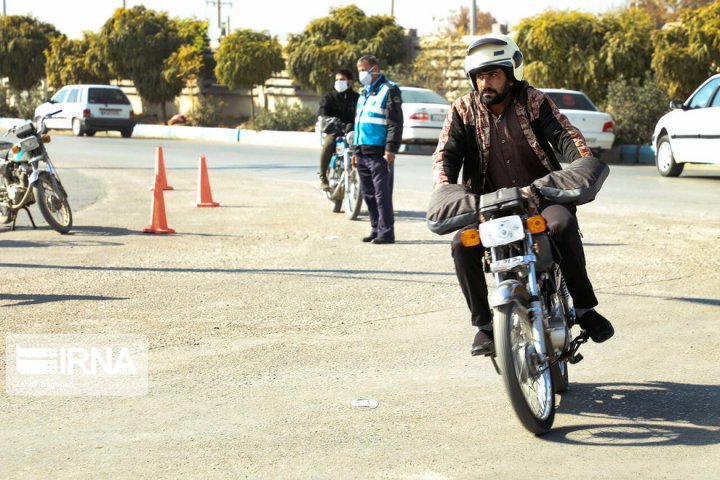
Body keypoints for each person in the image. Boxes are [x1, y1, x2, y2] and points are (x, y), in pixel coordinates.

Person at [430, 33, 614, 356]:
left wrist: (582, 161)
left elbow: (566, 136)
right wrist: (446, 190)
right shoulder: (462, 110)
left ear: (511, 73)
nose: (485, 82)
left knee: (563, 226)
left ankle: (585, 310)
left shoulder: (534, 100)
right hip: (488, 207)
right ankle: (485, 326)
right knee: (462, 243)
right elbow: (445, 158)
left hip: (542, 199)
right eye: (480, 76)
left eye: (493, 74)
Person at [352, 55, 403, 244]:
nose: (361, 74)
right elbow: (358, 122)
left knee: (382, 195)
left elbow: (395, 122)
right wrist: (355, 150)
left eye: (363, 69)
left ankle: (386, 233)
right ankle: (375, 228)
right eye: (358, 70)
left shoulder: (389, 90)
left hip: (380, 153)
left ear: (374, 69)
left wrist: (391, 149)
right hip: (362, 151)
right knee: (368, 194)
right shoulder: (364, 92)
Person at [317, 69, 359, 190]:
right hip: (334, 130)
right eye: (337, 80)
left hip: (352, 132)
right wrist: (332, 122)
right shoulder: (329, 97)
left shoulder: (357, 98)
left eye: (342, 80)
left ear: (350, 82)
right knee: (328, 144)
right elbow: (322, 113)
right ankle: (323, 176)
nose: (338, 82)